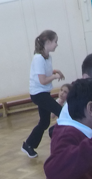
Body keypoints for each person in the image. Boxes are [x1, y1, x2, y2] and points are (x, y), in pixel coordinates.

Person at [22, 30, 66, 158]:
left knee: (45, 122)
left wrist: (56, 71)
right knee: (61, 112)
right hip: (38, 94)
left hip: (44, 93)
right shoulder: (38, 58)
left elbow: (45, 72)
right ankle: (66, 141)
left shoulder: (47, 57)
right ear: (48, 42)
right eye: (55, 41)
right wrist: (55, 76)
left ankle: (28, 145)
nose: (57, 44)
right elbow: (42, 80)